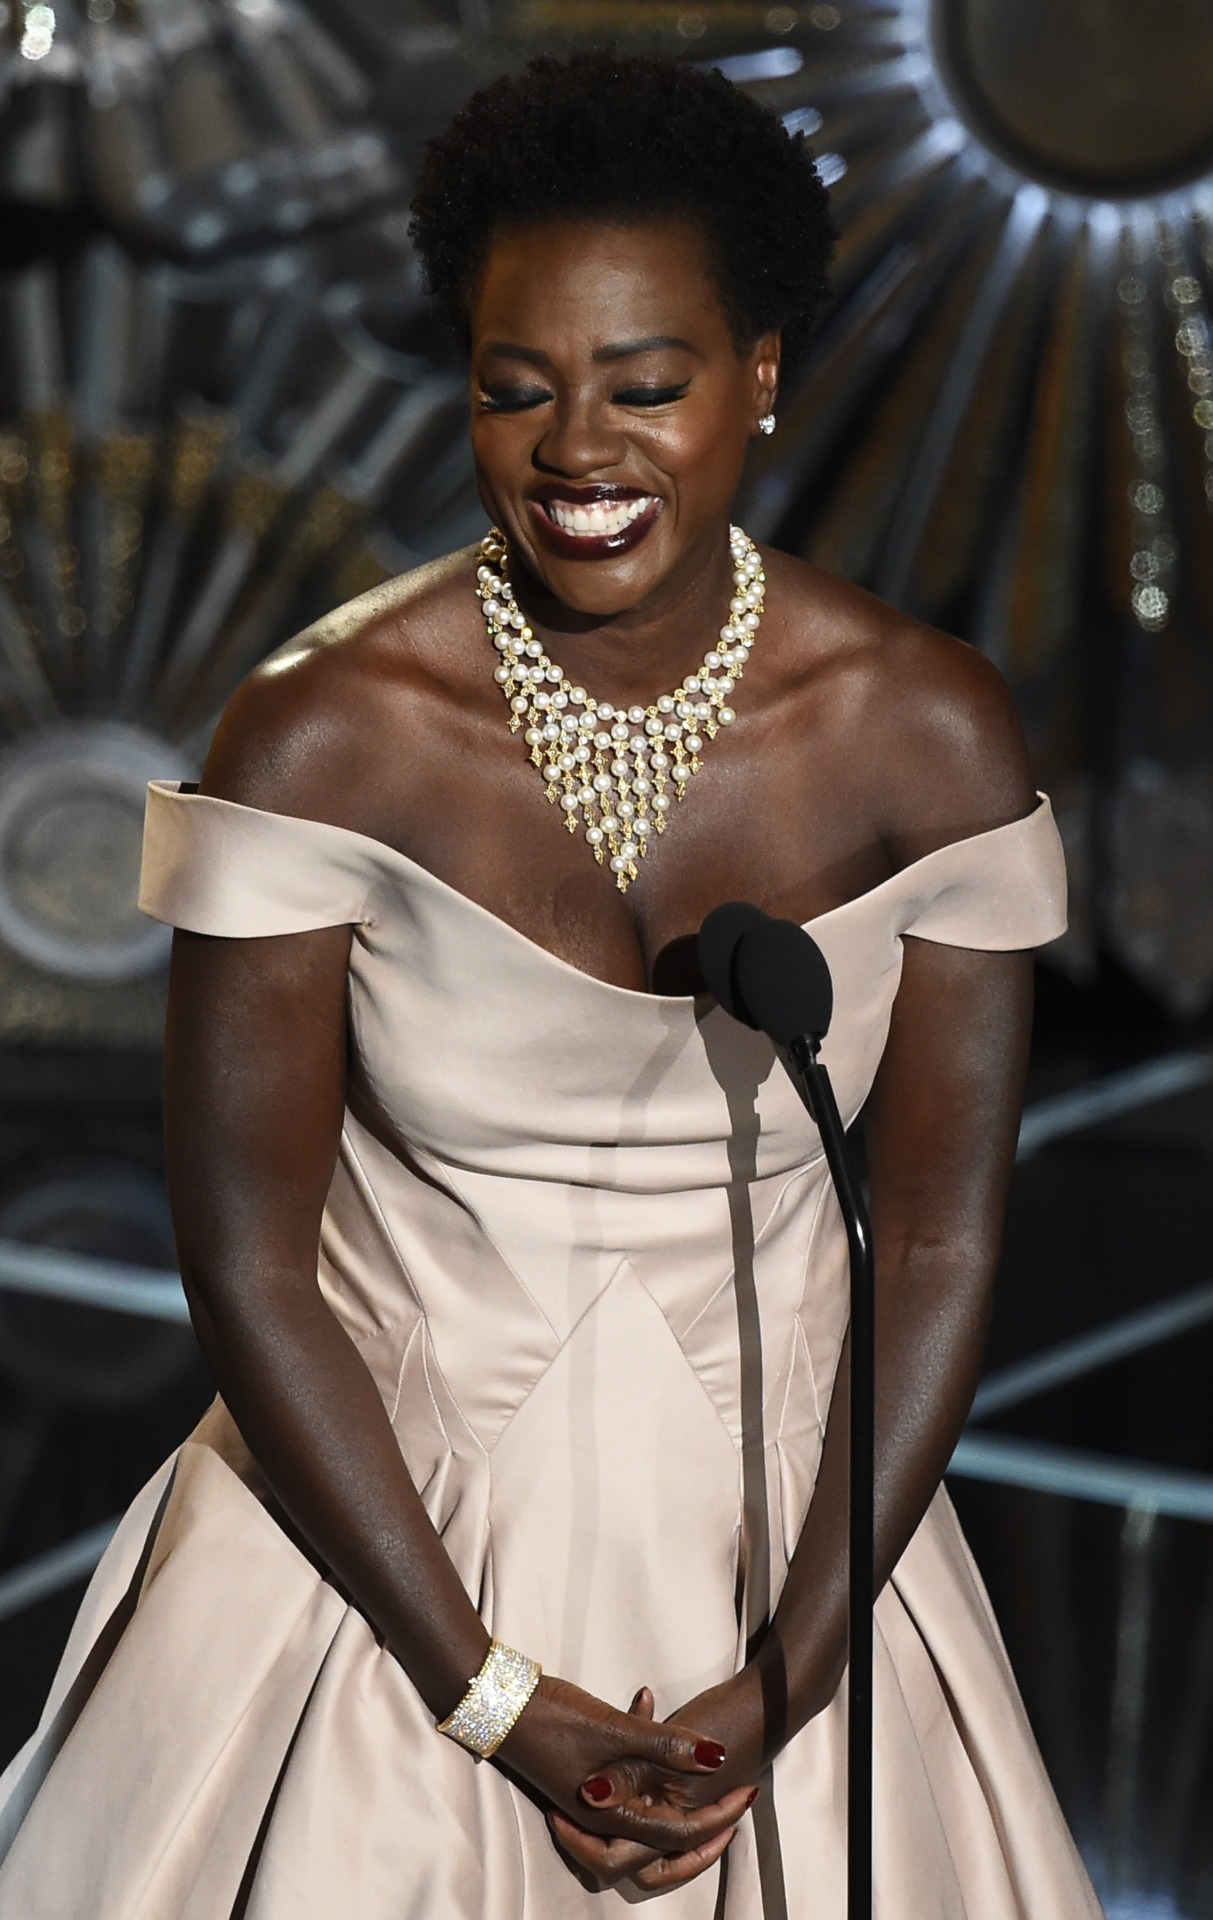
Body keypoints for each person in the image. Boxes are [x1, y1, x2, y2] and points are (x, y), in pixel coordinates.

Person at [0, 50, 1104, 1919]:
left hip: (794, 1567)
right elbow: (251, 1261)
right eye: (516, 392)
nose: (576, 451)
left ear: (758, 373)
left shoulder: (921, 731)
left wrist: (796, 1679)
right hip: (372, 1576)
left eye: (644, 386)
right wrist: (487, 1691)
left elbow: (929, 1240)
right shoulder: (324, 735)